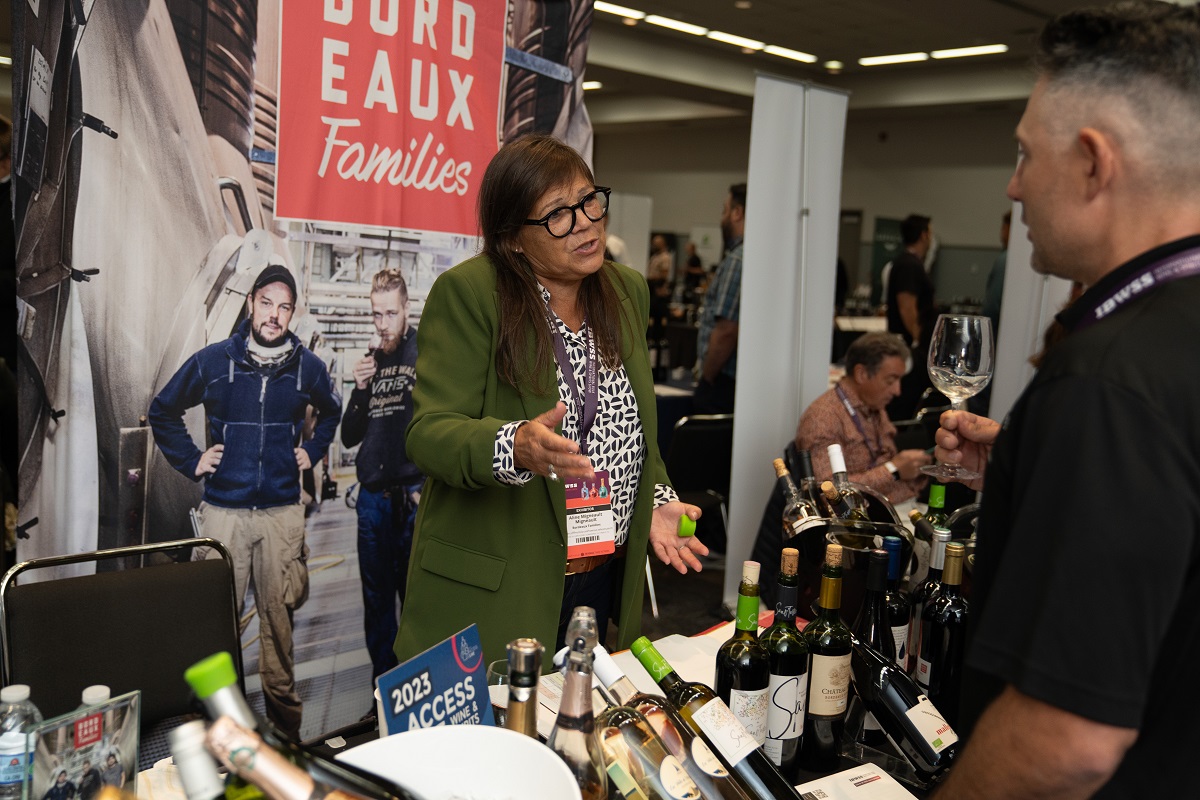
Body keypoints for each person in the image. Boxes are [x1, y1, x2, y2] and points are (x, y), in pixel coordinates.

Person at [931, 4, 1200, 796]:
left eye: (1024, 153)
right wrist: (1038, 469)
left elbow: (1066, 741)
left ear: (1092, 162)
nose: (1014, 186)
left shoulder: (1109, 376)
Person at [393, 133, 707, 667]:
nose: (585, 223)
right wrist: (513, 445)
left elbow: (630, 430)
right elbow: (428, 434)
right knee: (501, 719)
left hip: (597, 572)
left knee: (576, 714)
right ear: (513, 238)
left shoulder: (626, 290)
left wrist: (653, 501)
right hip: (502, 579)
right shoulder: (472, 293)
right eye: (558, 214)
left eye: (589, 201)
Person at [148, 263, 341, 739]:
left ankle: (287, 740)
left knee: (279, 629)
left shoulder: (307, 368)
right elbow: (163, 410)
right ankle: (220, 735)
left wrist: (313, 449)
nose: (274, 315)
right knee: (216, 629)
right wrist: (193, 460)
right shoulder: (214, 362)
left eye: (284, 307)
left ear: (292, 313)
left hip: (281, 515)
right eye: (267, 303)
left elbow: (332, 412)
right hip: (224, 515)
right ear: (251, 303)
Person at [339, 268, 423, 681]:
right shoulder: (371, 362)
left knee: (415, 603)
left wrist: (428, 484)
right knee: (377, 604)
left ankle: (417, 691)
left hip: (412, 495)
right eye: (376, 314)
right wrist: (359, 390)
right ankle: (383, 692)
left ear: (406, 309)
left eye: (391, 313)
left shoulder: (424, 353)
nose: (383, 324)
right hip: (372, 500)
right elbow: (349, 436)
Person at [796, 332, 931, 505]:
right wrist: (893, 470)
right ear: (861, 374)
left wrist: (915, 469)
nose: (897, 391)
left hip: (888, 504)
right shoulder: (823, 417)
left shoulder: (874, 405)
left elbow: (886, 461)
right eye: (890, 380)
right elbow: (827, 493)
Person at [694, 183, 745, 413]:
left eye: (725, 210)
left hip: (721, 383)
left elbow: (726, 331)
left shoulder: (737, 260)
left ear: (737, 213)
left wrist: (707, 379)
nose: (722, 218)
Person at [885, 214, 937, 421]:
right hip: (908, 345)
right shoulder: (909, 265)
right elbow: (907, 307)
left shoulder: (910, 263)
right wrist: (918, 341)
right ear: (924, 235)